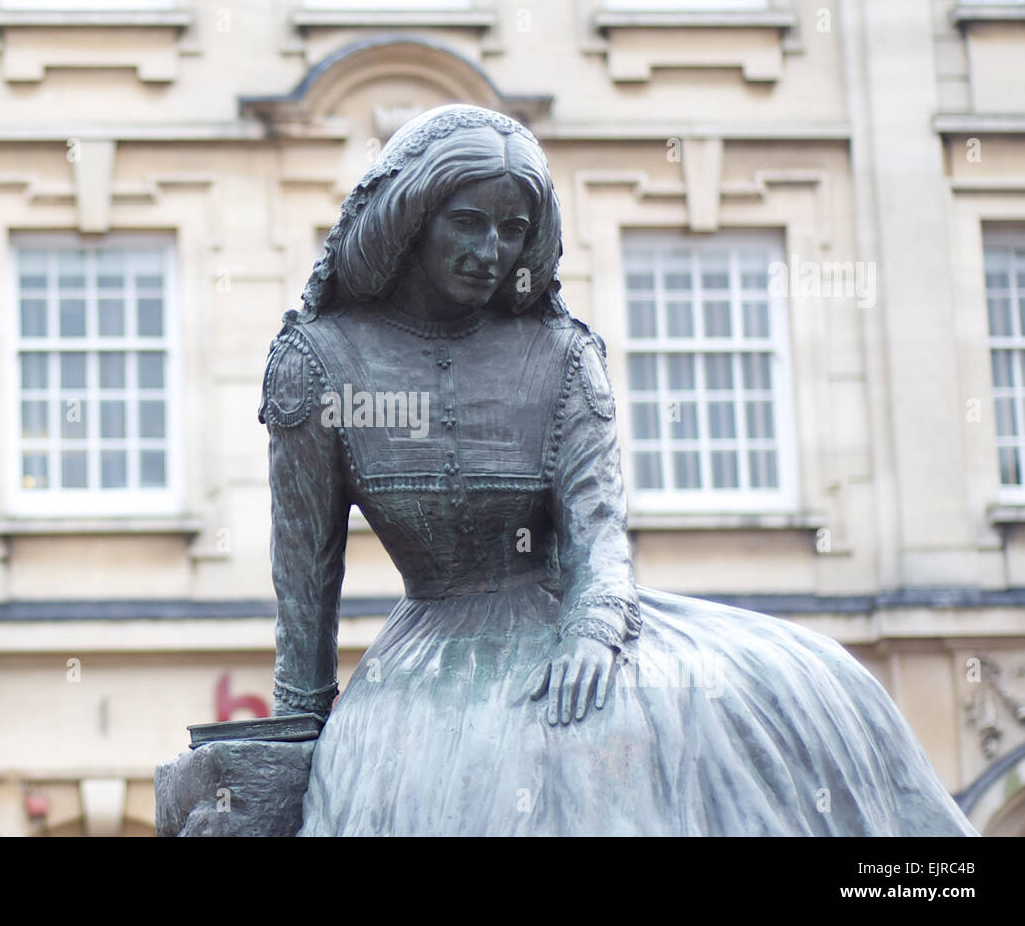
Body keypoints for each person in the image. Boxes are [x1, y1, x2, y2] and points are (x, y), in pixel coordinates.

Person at [258, 104, 975, 836]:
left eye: (513, 230)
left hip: (574, 623)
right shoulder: (316, 365)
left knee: (806, 689)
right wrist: (295, 739)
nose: (491, 251)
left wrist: (591, 634)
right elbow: (305, 583)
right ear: (411, 218)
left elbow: (599, 528)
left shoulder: (565, 357)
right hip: (430, 653)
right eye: (468, 222)